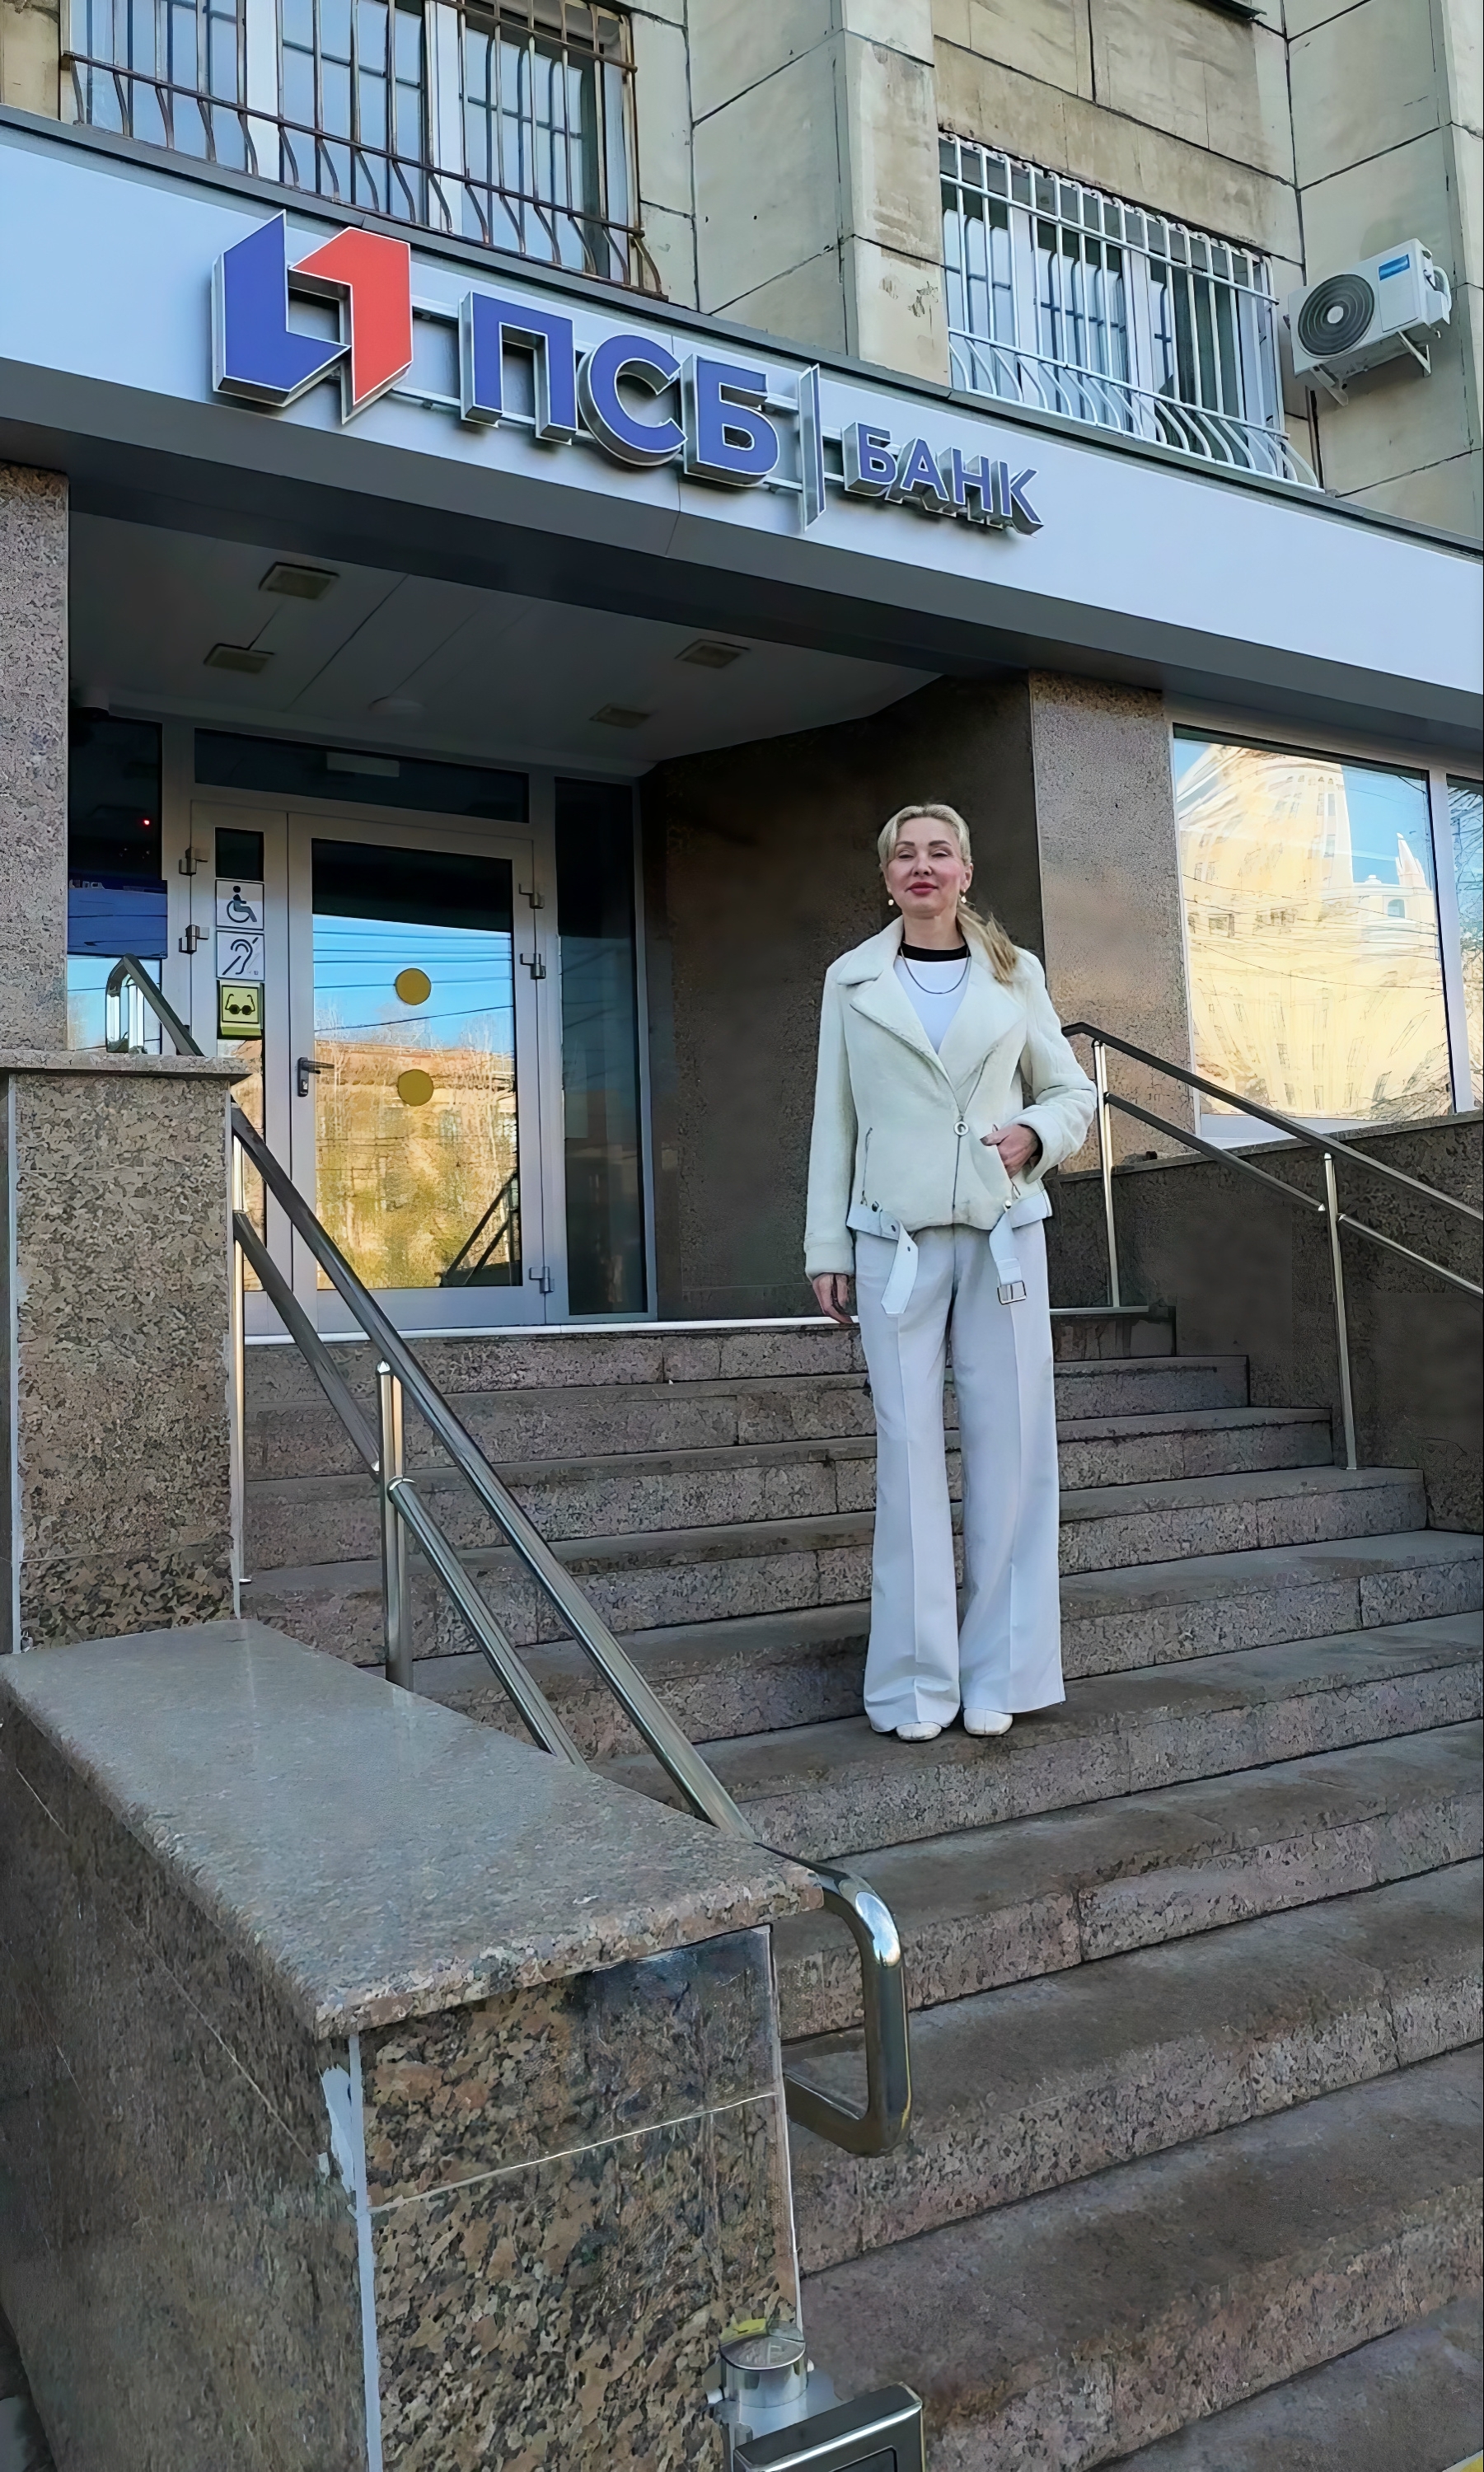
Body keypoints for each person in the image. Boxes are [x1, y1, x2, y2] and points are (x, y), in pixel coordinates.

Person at [805, 803, 1095, 1742]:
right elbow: (834, 1121)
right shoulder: (851, 979)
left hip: (1003, 1235)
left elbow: (1071, 1091)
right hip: (892, 1241)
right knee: (906, 1457)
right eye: (905, 854)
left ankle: (999, 1673)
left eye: (939, 852)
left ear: (966, 871)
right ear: (886, 876)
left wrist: (1035, 1133)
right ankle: (912, 1688)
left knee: (1012, 1451)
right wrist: (824, 1248)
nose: (921, 866)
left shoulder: (1016, 973)